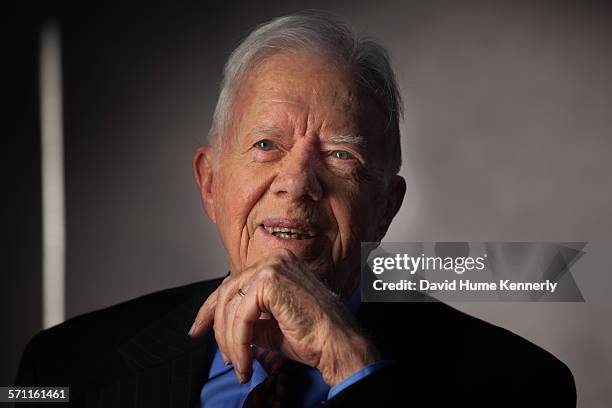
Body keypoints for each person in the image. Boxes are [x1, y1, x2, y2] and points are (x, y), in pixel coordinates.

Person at [16, 10, 576, 407]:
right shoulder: (60, 367)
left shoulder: (522, 385)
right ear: (210, 183)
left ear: (386, 207)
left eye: (339, 154)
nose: (298, 183)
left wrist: (353, 368)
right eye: (266, 147)